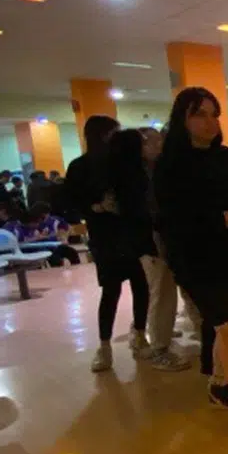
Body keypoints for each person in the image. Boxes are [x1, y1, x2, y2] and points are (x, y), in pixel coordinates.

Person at [156, 86, 228, 446]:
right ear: (183, 119)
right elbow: (187, 222)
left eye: (214, 114)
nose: (209, 122)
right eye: (199, 114)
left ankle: (221, 384)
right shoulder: (170, 168)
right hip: (200, 259)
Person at [64, 115, 153, 373]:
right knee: (111, 289)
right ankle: (104, 346)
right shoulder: (81, 166)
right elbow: (70, 202)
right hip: (105, 236)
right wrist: (97, 207)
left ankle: (139, 333)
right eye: (113, 133)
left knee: (141, 285)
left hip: (133, 232)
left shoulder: (125, 164)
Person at [110, 127, 191, 372]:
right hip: (151, 241)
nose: (158, 146)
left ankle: (156, 336)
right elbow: (140, 213)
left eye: (159, 141)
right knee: (162, 291)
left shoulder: (156, 172)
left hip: (162, 238)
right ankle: (159, 349)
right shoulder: (135, 178)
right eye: (151, 142)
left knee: (166, 290)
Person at [7, 202, 80, 267]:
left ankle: (76, 271)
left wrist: (64, 237)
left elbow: (66, 228)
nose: (39, 222)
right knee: (54, 257)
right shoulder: (21, 227)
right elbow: (19, 242)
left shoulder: (54, 220)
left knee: (72, 252)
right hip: (38, 248)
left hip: (53, 246)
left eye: (46, 215)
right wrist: (38, 237)